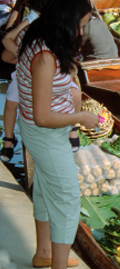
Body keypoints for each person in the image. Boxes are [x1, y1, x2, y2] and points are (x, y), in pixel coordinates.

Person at [15, 0, 100, 269]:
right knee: (66, 200)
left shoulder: (39, 37)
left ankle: (44, 251)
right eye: (79, 25)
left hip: (39, 133)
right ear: (64, 21)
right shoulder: (45, 56)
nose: (81, 31)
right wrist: (81, 117)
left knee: (44, 189)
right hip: (46, 134)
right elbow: (43, 116)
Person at [0, 0, 52, 162]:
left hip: (46, 70)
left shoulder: (56, 20)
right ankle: (9, 139)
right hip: (27, 70)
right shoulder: (31, 18)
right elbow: (7, 39)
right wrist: (25, 56)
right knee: (10, 103)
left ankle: (71, 129)